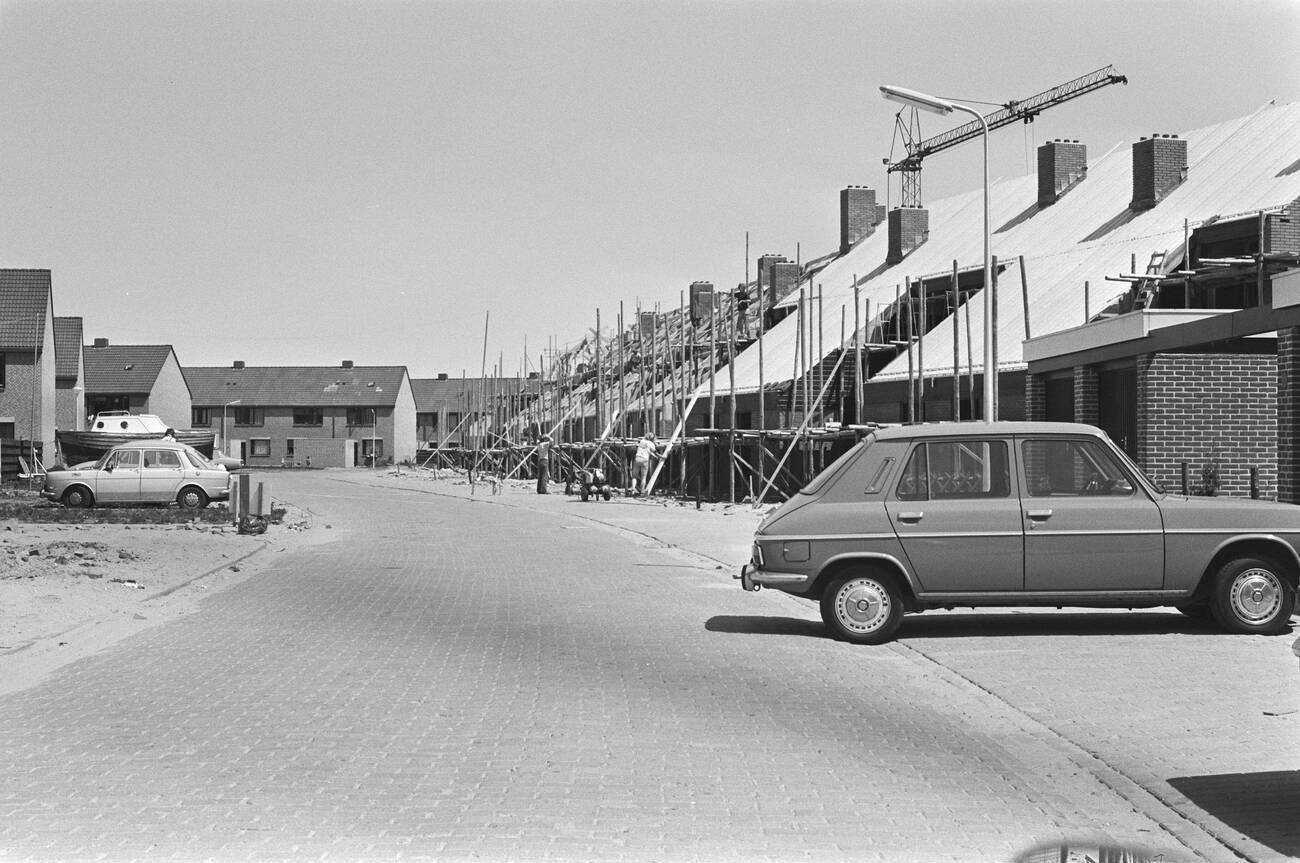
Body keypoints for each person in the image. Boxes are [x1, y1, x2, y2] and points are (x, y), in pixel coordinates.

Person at [633, 431, 656, 496]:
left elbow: (645, 449)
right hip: (645, 460)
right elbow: (654, 451)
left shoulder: (641, 441)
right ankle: (642, 492)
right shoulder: (651, 444)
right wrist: (659, 456)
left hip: (637, 458)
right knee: (643, 477)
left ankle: (632, 489)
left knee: (634, 476)